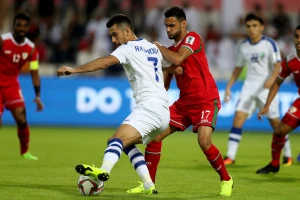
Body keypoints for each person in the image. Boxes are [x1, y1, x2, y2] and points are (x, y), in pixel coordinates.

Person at [57, 14, 182, 195]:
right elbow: (177, 68)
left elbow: (105, 62)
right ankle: (149, 185)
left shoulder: (128, 48)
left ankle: (103, 172)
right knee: (121, 143)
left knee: (116, 141)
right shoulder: (151, 47)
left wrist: (75, 69)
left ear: (127, 30)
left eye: (115, 34)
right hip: (163, 111)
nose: (114, 40)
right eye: (111, 36)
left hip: (148, 107)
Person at [127, 7, 233, 197]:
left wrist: (158, 47)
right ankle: (148, 185)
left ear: (183, 24)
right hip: (184, 104)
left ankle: (226, 179)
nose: (168, 30)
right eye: (166, 26)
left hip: (206, 100)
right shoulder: (169, 53)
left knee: (204, 141)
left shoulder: (192, 38)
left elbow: (178, 58)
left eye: (172, 25)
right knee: (154, 137)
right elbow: (165, 85)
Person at [223, 13, 293, 166]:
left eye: (254, 26)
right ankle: (230, 156)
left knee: (276, 124)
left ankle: (287, 155)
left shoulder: (270, 44)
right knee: (238, 118)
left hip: (266, 89)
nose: (251, 29)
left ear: (261, 27)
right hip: (249, 87)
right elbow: (238, 68)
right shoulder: (243, 46)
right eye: (248, 26)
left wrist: (272, 79)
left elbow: (278, 65)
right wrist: (229, 86)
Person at [256, 25, 300, 174]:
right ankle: (274, 164)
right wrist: (267, 105)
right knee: (279, 131)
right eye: (297, 36)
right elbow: (276, 83)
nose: (299, 40)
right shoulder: (290, 62)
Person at [0, 13, 43, 160]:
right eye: (18, 25)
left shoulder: (31, 49)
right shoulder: (3, 41)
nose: (21, 29)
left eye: (25, 26)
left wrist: (37, 96)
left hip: (11, 84)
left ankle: (25, 151)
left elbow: (35, 73)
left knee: (22, 119)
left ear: (28, 28)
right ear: (14, 25)